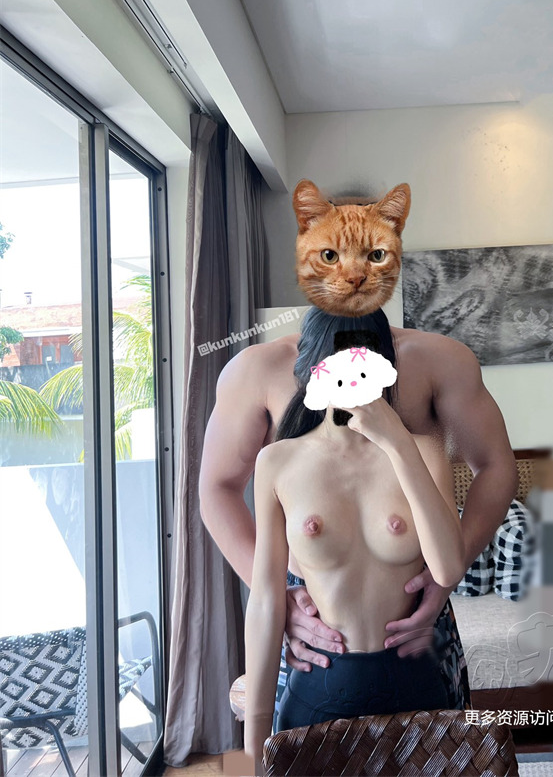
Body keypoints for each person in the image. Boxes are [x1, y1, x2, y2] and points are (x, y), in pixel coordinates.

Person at [199, 181, 517, 705]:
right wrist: (276, 598)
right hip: (313, 619)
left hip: (414, 616)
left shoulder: (441, 361)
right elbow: (216, 487)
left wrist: (447, 577)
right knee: (302, 748)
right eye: (333, 254)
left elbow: (496, 466)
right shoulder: (255, 370)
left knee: (439, 748)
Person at [244, 329, 466, 774]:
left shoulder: (424, 449)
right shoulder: (277, 461)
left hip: (416, 686)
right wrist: (252, 747)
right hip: (319, 688)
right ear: (313, 372)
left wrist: (398, 443)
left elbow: (447, 568)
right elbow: (266, 600)